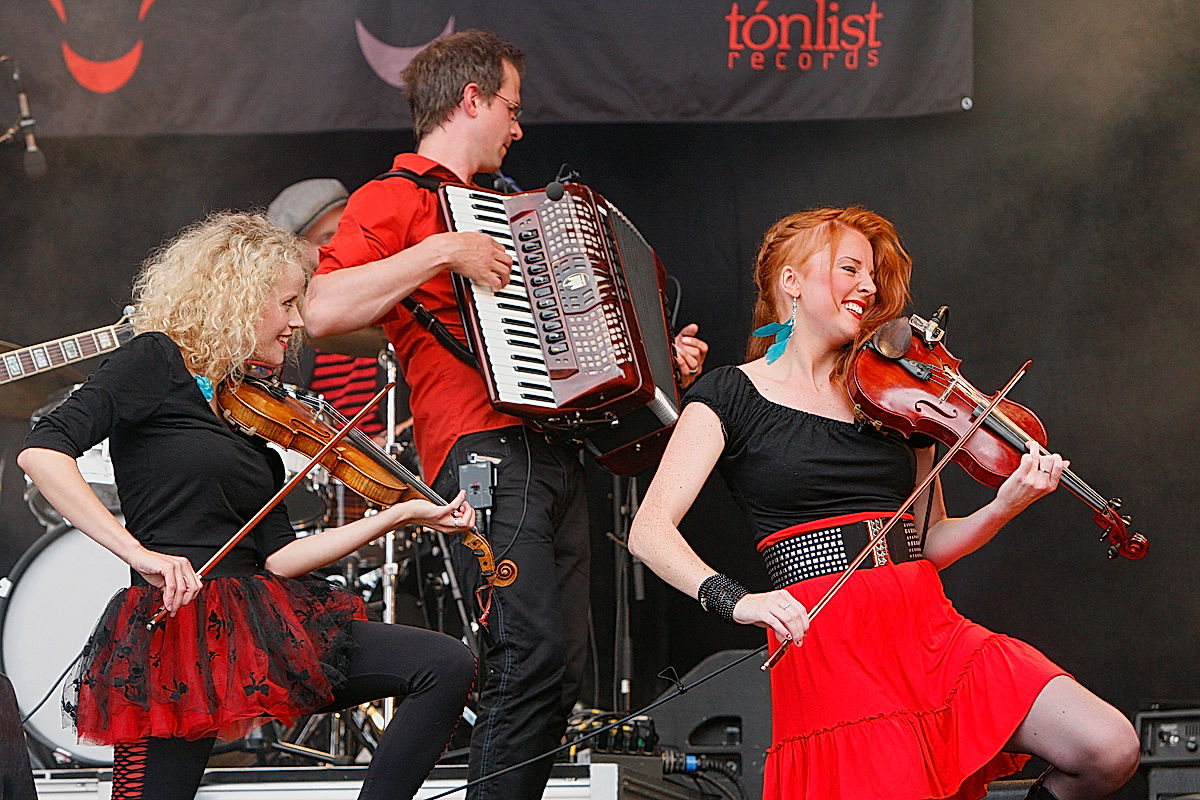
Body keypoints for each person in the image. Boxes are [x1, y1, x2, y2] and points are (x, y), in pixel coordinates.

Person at [303, 29, 708, 800]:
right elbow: (321, 309)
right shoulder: (392, 198)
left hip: (555, 454)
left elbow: (580, 349)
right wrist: (441, 253)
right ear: (472, 99)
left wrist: (657, 365)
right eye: (511, 109)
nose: (519, 128)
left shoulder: (514, 209)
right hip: (478, 451)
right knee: (525, 656)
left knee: (559, 673)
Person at [627, 207, 1140, 800]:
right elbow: (650, 530)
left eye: (871, 275)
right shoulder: (730, 394)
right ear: (790, 280)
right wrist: (738, 600)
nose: (869, 288)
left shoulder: (897, 400)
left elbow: (931, 542)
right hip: (830, 650)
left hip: (925, 630)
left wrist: (1004, 505)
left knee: (1108, 747)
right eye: (850, 268)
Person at [17, 211, 477, 800]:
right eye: (286, 303)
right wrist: (140, 554)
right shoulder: (154, 361)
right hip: (177, 631)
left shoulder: (248, 415)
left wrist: (397, 513)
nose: (297, 322)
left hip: (260, 623)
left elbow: (281, 558)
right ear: (237, 298)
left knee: (444, 665)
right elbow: (42, 451)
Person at [267, 178, 390, 441]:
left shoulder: (395, 297)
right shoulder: (279, 327)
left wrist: (402, 440)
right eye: (326, 238)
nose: (342, 245)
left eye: (347, 231)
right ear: (295, 253)